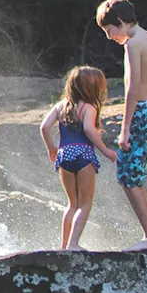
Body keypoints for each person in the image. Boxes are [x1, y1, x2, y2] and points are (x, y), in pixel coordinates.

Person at [97, 0, 147, 251]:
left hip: (143, 110)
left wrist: (125, 128)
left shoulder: (132, 44)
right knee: (136, 176)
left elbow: (133, 87)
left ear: (120, 21)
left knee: (127, 175)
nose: (109, 36)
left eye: (109, 30)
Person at [40, 65, 117, 249]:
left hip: (64, 155)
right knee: (85, 204)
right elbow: (89, 130)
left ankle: (64, 245)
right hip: (83, 155)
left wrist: (52, 148)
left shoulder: (61, 106)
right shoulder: (88, 107)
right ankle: (74, 243)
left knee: (72, 204)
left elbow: (44, 127)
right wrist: (106, 151)